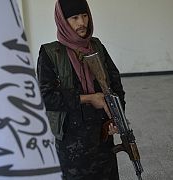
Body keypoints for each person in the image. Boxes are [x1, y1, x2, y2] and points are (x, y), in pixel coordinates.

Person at [37, 0, 126, 179]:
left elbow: (116, 87)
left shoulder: (97, 47)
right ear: (62, 20)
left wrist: (116, 118)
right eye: (74, 18)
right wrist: (89, 98)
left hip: (102, 138)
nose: (82, 23)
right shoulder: (50, 53)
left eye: (85, 16)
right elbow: (46, 98)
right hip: (71, 144)